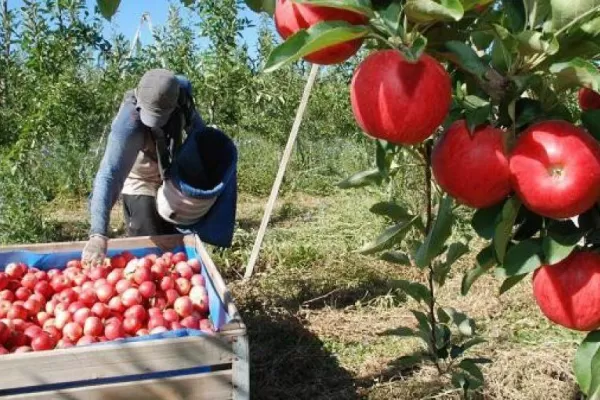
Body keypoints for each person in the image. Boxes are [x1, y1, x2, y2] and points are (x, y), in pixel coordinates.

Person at [82, 68, 237, 267]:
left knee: (176, 248)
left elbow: (199, 135)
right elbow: (110, 174)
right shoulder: (128, 124)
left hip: (170, 176)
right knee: (150, 254)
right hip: (140, 179)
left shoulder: (182, 97)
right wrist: (98, 234)